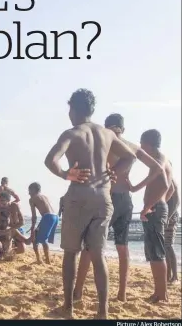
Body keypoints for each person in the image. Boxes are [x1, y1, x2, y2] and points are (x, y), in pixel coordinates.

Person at [44, 89, 136, 319]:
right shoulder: (107, 134)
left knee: (71, 253)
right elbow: (130, 156)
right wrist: (113, 172)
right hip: (103, 198)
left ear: (73, 110)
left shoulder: (72, 133)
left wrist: (66, 174)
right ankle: (102, 311)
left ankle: (69, 307)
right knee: (97, 254)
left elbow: (50, 159)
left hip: (80, 195)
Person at [74, 113, 165, 302]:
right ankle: (121, 294)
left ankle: (78, 291)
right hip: (126, 200)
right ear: (123, 129)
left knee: (90, 246)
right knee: (122, 247)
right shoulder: (131, 146)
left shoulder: (104, 143)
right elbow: (157, 168)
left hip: (108, 199)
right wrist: (135, 187)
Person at [127, 129, 173, 302]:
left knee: (156, 252)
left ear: (147, 144)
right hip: (157, 209)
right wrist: (161, 205)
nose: (140, 147)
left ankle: (162, 294)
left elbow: (166, 186)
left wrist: (150, 205)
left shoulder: (159, 160)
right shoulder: (161, 160)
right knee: (154, 252)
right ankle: (160, 292)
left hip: (154, 209)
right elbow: (172, 189)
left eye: (141, 143)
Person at [28, 182, 59, 264]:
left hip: (48, 217)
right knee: (41, 238)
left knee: (38, 239)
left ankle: (42, 260)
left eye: (29, 190)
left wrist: (32, 228)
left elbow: (34, 216)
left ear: (34, 190)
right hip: (55, 217)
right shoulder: (44, 196)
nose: (29, 193)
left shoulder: (32, 199)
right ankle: (44, 259)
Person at [165, 179, 179, 284]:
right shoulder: (163, 179)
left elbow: (177, 202)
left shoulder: (171, 181)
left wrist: (169, 216)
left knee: (168, 245)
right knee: (165, 246)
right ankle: (168, 275)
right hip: (165, 215)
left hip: (171, 216)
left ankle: (175, 277)